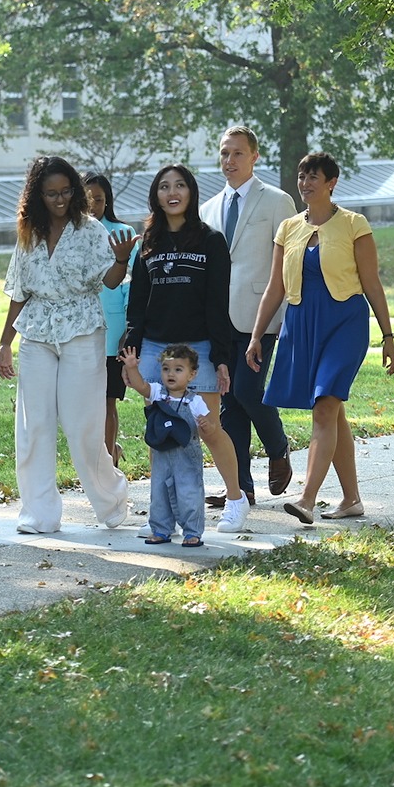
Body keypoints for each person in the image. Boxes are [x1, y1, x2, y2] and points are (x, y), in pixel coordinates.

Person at [246, 152, 394, 525]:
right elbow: (274, 288)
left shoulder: (353, 224)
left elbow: (372, 282)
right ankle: (351, 499)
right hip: (301, 325)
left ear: (332, 182)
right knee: (333, 411)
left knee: (324, 407)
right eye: (301, 177)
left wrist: (388, 335)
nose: (305, 183)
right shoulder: (288, 229)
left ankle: (308, 500)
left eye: (313, 177)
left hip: (344, 322)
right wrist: (255, 337)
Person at [0, 155, 137, 534]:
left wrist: (122, 261)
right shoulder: (29, 233)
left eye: (65, 192)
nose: (59, 200)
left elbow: (109, 281)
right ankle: (38, 514)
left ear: (74, 191)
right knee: (33, 426)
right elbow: (20, 292)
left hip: (82, 331)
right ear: (37, 195)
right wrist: (4, 342)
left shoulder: (90, 230)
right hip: (37, 334)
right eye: (50, 194)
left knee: (83, 427)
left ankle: (111, 500)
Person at [123, 163, 249, 533]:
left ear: (191, 193)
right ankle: (164, 515)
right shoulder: (149, 242)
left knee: (208, 427)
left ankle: (236, 499)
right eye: (164, 186)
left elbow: (217, 303)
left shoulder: (210, 240)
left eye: (180, 185)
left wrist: (221, 357)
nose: (172, 192)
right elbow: (138, 302)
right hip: (155, 347)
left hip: (199, 347)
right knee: (161, 430)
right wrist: (132, 348)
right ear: (156, 196)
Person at [199, 125, 298, 508]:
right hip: (219, 320)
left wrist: (289, 315)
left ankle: (278, 448)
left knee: (246, 391)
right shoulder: (207, 209)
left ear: (255, 156)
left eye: (238, 153)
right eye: (225, 153)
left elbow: (289, 265)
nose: (230, 161)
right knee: (229, 403)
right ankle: (240, 488)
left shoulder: (276, 201)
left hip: (263, 316)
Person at [120, 343, 210, 547]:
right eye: (166, 369)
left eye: (178, 369)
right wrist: (132, 368)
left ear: (192, 374)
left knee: (189, 492)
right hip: (161, 454)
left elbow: (209, 427)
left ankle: (192, 532)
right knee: (159, 492)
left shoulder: (195, 401)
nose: (171, 374)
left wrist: (207, 425)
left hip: (187, 456)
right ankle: (161, 529)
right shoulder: (157, 393)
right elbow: (140, 386)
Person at [83, 172, 136, 467]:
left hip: (112, 333)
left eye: (99, 200)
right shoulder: (68, 235)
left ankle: (106, 465)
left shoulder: (123, 234)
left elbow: (132, 286)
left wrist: (128, 329)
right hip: (78, 333)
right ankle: (105, 452)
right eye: (87, 199)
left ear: (107, 201)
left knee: (106, 401)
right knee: (81, 404)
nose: (92, 206)